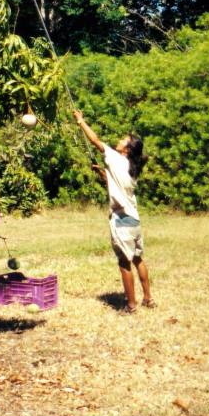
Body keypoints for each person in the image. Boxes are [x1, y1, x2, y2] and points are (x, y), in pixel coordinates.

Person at [73, 110, 156, 314]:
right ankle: (148, 299)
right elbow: (116, 185)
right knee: (138, 259)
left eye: (123, 140)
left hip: (121, 220)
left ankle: (130, 305)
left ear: (126, 149)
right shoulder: (131, 167)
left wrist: (81, 121)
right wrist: (102, 173)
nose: (119, 141)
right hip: (134, 221)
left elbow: (96, 141)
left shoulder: (117, 158)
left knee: (123, 262)